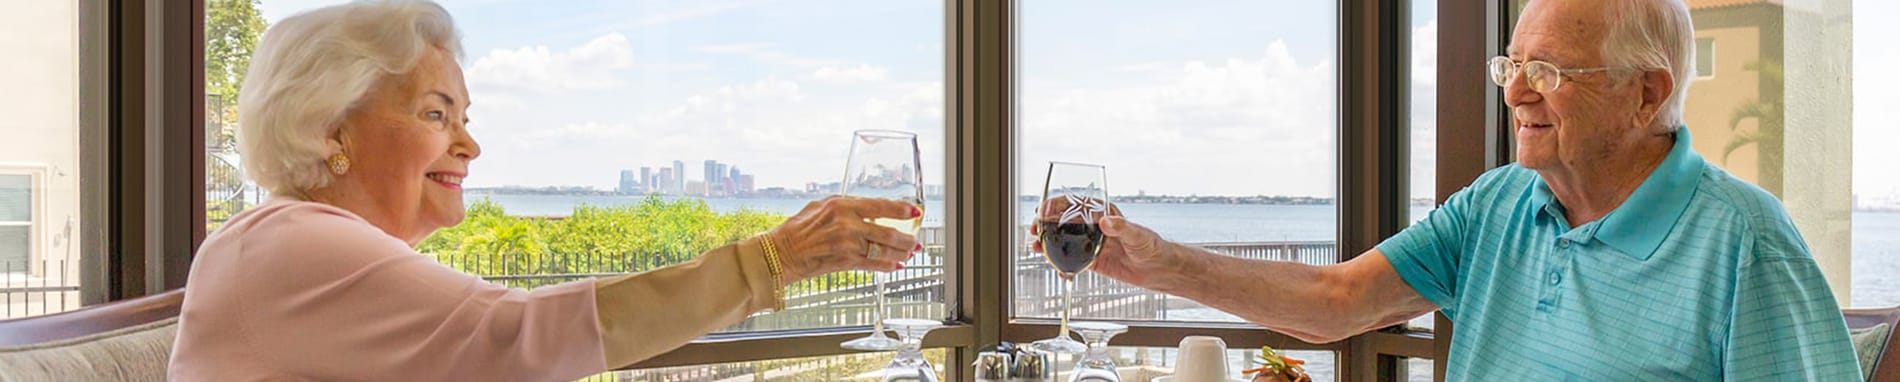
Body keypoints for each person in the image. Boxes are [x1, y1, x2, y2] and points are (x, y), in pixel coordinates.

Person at [1056, 0, 1862, 379]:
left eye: (1547, 73)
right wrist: (1155, 263)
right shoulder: (1499, 204)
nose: (1514, 94)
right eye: (1510, 67)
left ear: (1646, 93)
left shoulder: (1745, 243)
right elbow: (1337, 301)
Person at [168, 1, 921, 380]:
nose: (469, 144)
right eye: (436, 115)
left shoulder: (292, 249)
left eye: (464, 117)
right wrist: (774, 259)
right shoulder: (293, 244)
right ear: (329, 128)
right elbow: (521, 334)